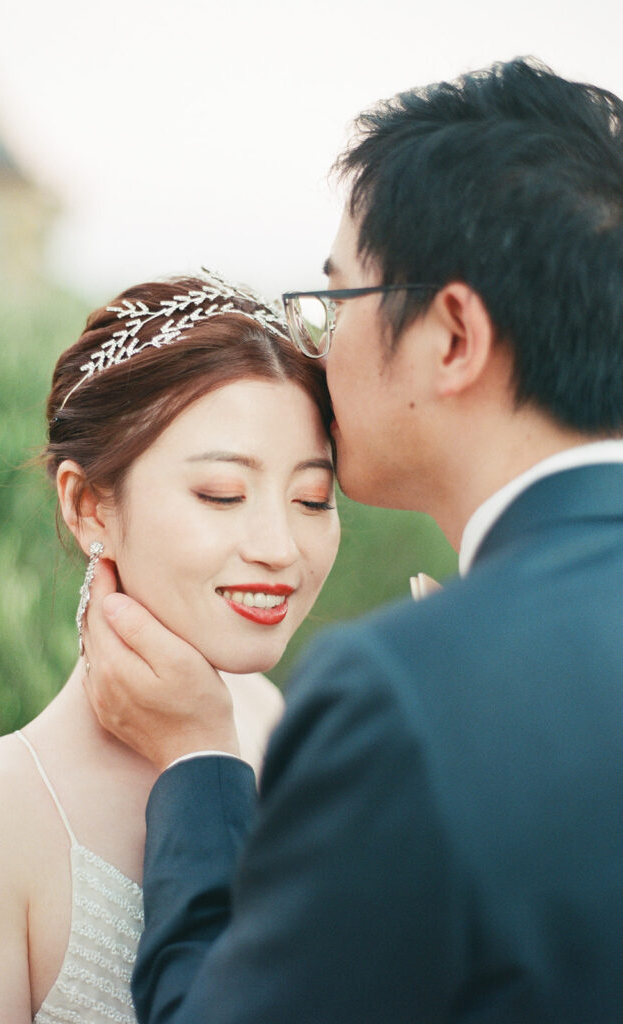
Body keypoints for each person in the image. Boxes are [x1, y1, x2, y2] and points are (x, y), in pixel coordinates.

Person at [79, 58, 623, 1022]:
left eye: (335, 306)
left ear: (452, 336)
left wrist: (197, 761)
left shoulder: (409, 691)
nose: (319, 353)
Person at [0, 272, 341, 1024]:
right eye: (222, 494)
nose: (280, 547)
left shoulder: (270, 721)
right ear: (88, 505)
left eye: (313, 500)